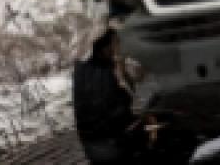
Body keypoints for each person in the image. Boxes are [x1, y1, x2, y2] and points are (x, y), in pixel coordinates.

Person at [73, 29, 212, 163]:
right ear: (106, 48)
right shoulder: (106, 75)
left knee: (163, 116)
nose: (119, 49)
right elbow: (118, 116)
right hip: (115, 149)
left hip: (94, 147)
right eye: (116, 44)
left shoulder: (82, 66)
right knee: (177, 131)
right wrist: (146, 119)